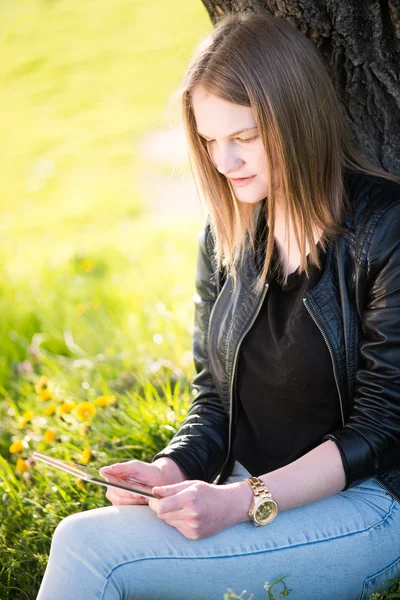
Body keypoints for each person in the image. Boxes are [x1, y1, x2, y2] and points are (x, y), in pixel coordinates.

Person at [36, 11, 400, 600]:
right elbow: (216, 400)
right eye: (209, 140)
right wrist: (171, 469)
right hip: (242, 487)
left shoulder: (387, 229)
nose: (222, 162)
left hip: (368, 504)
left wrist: (244, 499)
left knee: (86, 547)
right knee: (93, 540)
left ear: (296, 121)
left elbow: (384, 428)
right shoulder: (226, 233)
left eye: (244, 138)